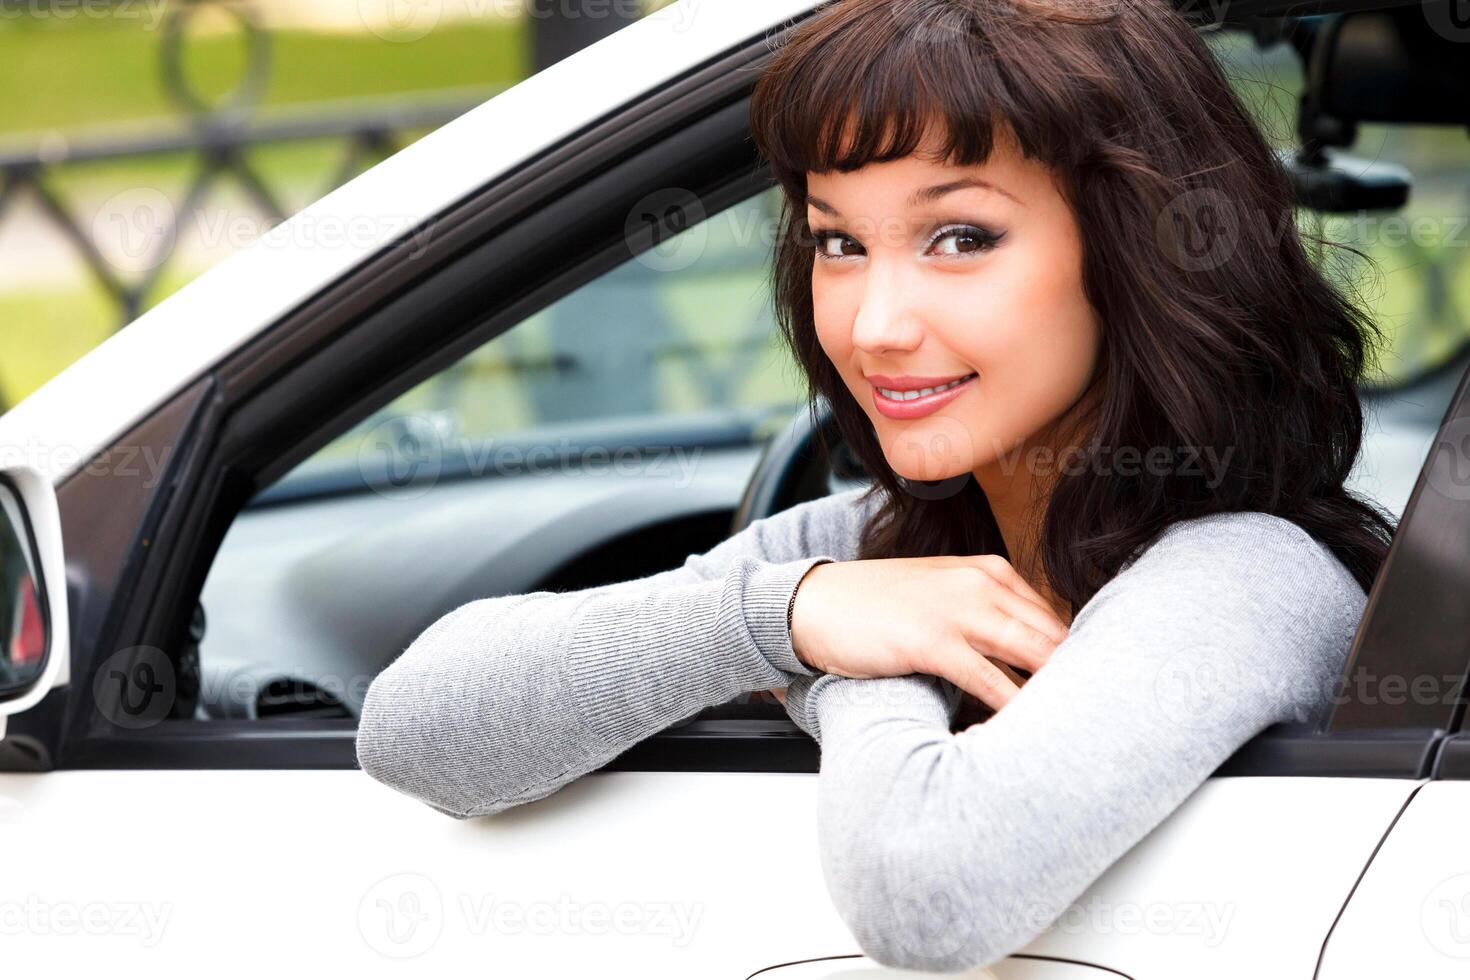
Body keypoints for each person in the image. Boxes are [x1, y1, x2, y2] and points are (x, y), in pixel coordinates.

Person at [356, 0, 1396, 970]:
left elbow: (928, 889)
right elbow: (414, 727)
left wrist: (847, 665)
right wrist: (789, 614)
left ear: (1139, 249)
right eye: (839, 241)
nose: (873, 324)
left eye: (961, 238)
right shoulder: (864, 551)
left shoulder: (1251, 575)